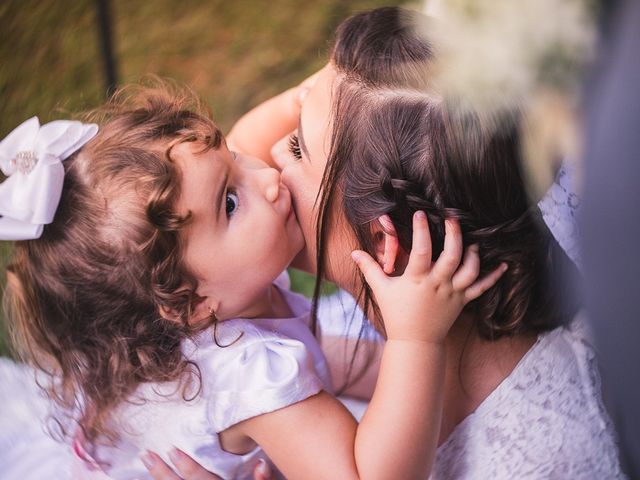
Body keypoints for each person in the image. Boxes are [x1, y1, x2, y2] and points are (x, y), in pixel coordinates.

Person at [149, 7, 625, 479]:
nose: (269, 162)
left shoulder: (540, 461)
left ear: (384, 241)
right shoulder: (396, 325)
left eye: (297, 150)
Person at [0, 80, 503, 479]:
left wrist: (310, 97)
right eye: (231, 202)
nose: (267, 177)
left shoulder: (221, 295)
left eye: (232, 162)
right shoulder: (247, 376)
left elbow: (337, 364)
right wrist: (417, 339)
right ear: (189, 303)